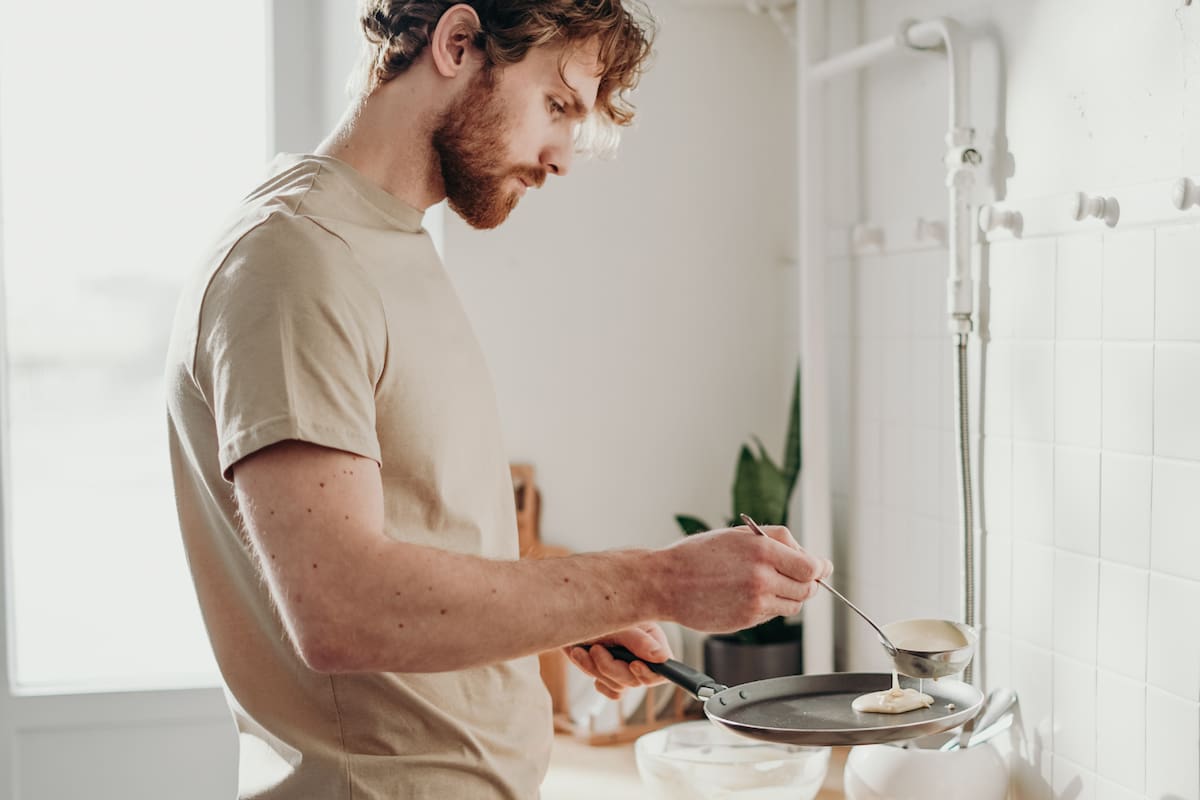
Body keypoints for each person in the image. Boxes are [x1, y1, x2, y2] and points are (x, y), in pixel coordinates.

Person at [165, 1, 834, 798]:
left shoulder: (386, 242)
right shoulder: (295, 261)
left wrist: (572, 613)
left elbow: (419, 535)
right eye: (557, 106)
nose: (562, 158)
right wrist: (654, 582)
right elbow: (341, 606)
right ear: (456, 43)